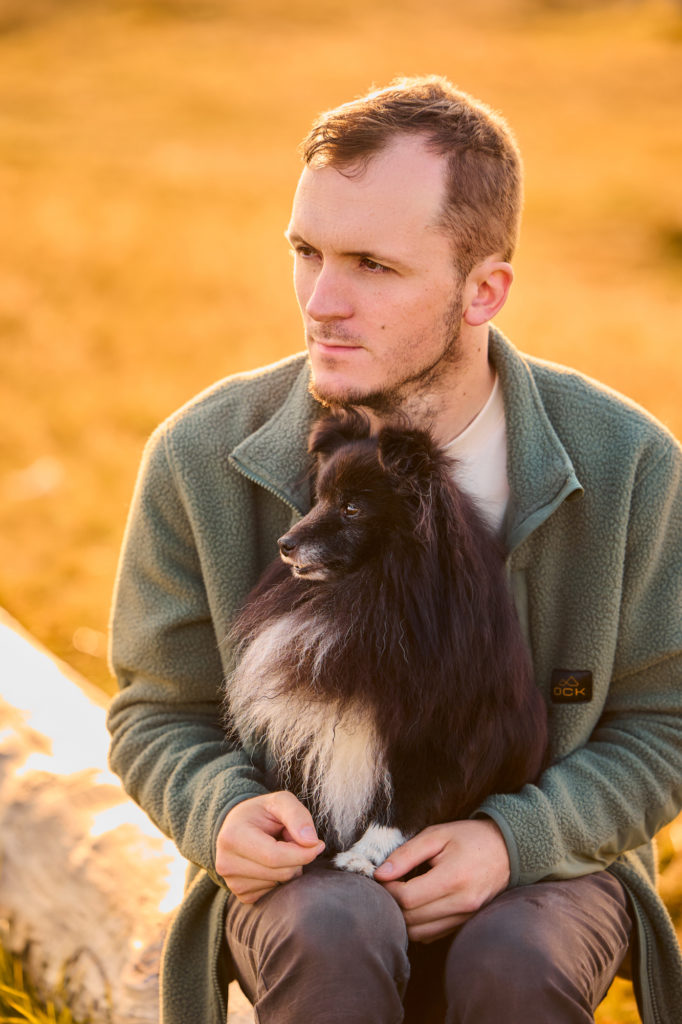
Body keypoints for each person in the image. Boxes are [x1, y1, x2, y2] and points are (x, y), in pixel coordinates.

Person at [107, 76, 682, 1024]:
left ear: (483, 289)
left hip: (548, 875)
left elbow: (663, 722)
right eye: (307, 252)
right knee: (333, 930)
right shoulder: (199, 456)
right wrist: (220, 813)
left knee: (517, 957)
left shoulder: (630, 467)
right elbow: (156, 712)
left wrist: (515, 841)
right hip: (306, 882)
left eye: (373, 265)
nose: (322, 301)